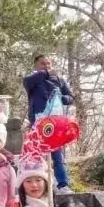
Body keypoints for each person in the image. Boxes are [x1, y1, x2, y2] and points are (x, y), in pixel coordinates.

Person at [23, 55, 74, 194]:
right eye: (43, 63)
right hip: (38, 122)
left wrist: (62, 98)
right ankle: (43, 184)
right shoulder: (32, 79)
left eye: (49, 63)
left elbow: (71, 98)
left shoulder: (59, 80)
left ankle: (62, 184)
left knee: (58, 156)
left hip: (56, 123)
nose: (46, 66)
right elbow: (28, 82)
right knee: (38, 155)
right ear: (36, 65)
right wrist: (46, 73)